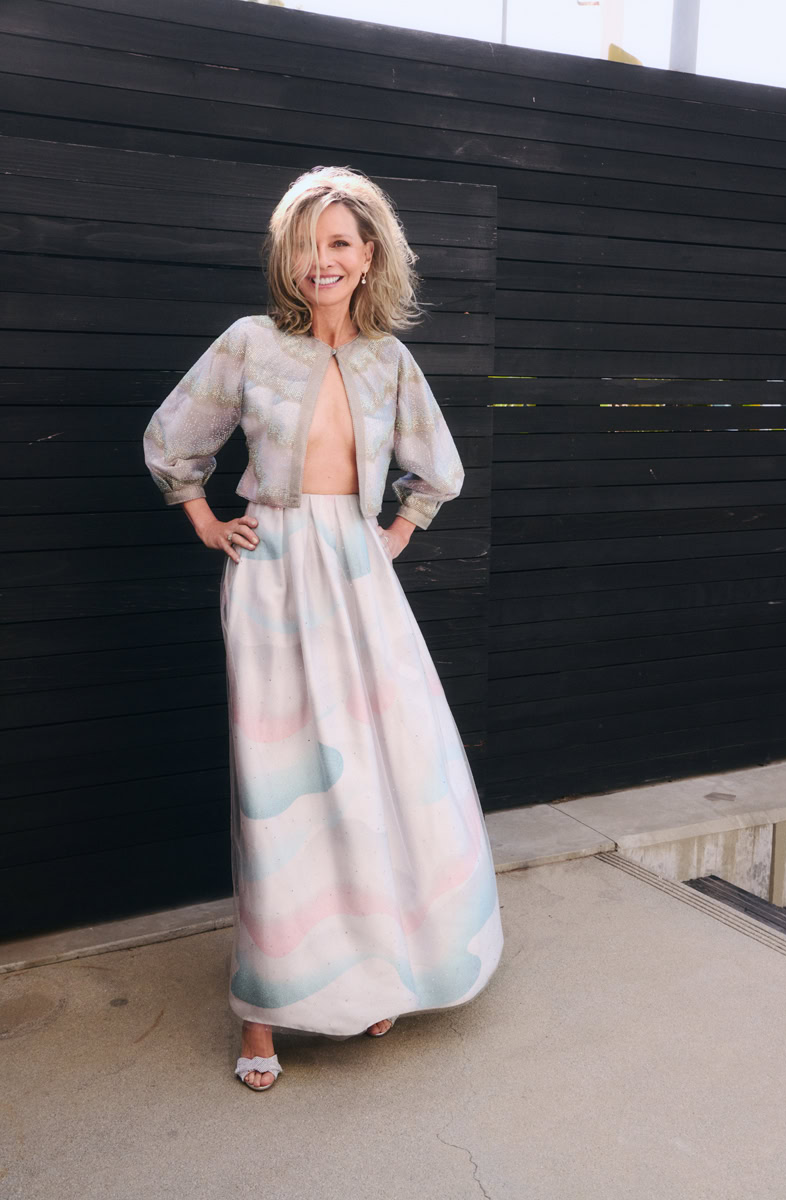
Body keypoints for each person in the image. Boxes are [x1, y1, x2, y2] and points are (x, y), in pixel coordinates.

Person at [143, 165, 504, 1093]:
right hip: (271, 580)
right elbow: (174, 440)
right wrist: (208, 521)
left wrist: (390, 535)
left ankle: (370, 973)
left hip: (358, 573)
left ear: (369, 253)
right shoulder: (251, 343)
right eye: (305, 244)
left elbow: (439, 469)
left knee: (387, 770)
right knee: (285, 791)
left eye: (339, 242)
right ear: (287, 258)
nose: (320, 261)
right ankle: (263, 1019)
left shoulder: (389, 359)